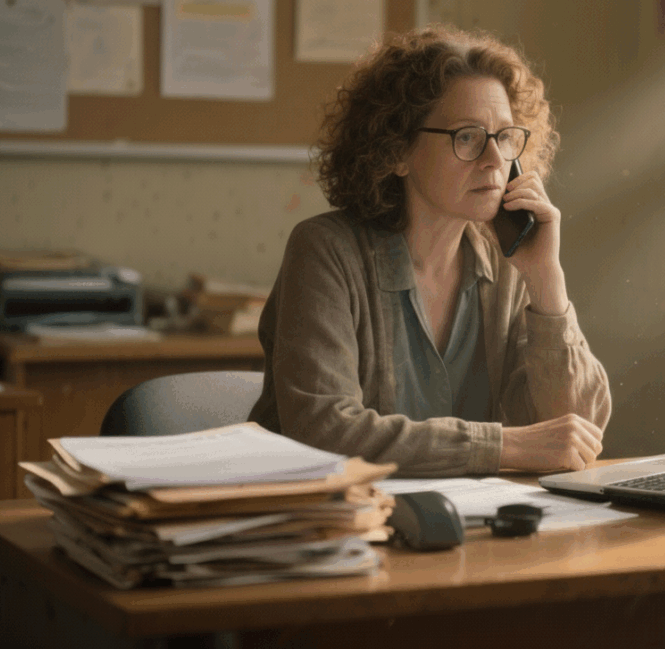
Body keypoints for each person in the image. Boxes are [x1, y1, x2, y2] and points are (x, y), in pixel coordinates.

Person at [249, 25, 611, 476]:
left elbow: (575, 432)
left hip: (466, 526)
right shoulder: (325, 251)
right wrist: (499, 447)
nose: (495, 160)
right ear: (396, 151)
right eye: (467, 137)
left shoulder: (509, 260)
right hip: (333, 526)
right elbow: (324, 430)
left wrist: (547, 281)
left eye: (504, 137)